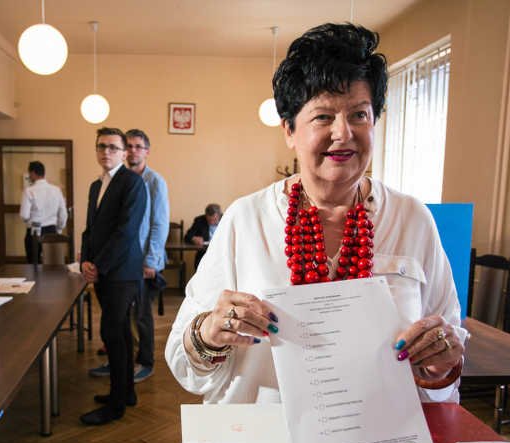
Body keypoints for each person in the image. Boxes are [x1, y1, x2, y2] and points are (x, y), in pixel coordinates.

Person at [166, 23, 466, 406]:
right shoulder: (246, 219)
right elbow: (183, 360)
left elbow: (446, 352)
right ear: (289, 130)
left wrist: (440, 362)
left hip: (380, 433)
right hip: (262, 434)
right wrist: (209, 333)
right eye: (323, 117)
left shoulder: (411, 219)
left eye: (359, 115)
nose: (343, 133)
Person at [88, 129, 169, 383]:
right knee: (121, 319)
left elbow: (159, 223)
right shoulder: (112, 180)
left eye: (138, 146)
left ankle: (144, 362)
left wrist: (151, 260)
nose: (133, 151)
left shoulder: (154, 181)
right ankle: (120, 363)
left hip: (143, 261)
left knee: (141, 315)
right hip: (120, 262)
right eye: (130, 146)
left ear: (146, 151)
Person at [79, 127, 147, 425]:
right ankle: (126, 392)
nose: (106, 152)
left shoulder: (132, 182)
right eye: (101, 146)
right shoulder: (97, 185)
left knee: (112, 334)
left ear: (123, 152)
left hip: (121, 273)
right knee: (119, 334)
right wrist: (85, 260)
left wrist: (99, 266)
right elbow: (90, 230)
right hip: (104, 271)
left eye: (112, 147)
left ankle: (116, 405)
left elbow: (126, 231)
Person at [20, 160, 68, 264]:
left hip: (34, 231)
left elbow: (24, 215)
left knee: (33, 266)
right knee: (53, 265)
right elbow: (63, 214)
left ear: (33, 173)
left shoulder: (29, 191)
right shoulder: (56, 190)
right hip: (51, 230)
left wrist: (30, 221)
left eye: (29, 174)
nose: (29, 176)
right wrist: (59, 229)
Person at [183, 203, 222, 269]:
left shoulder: (226, 220)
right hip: (204, 254)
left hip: (221, 253)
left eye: (214, 220)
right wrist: (193, 238)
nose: (212, 222)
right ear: (206, 216)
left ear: (219, 216)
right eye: (209, 220)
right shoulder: (200, 220)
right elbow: (187, 236)